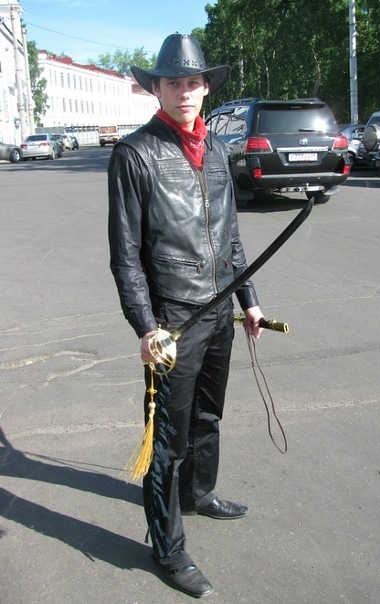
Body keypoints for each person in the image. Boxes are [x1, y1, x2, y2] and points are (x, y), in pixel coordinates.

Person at [108, 34, 264, 598]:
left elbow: (232, 237)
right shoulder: (135, 154)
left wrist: (249, 301)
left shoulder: (218, 150)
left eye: (193, 82)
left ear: (205, 88)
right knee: (167, 439)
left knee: (208, 417)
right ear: (157, 88)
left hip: (220, 311)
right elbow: (125, 254)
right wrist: (145, 326)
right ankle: (167, 549)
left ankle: (198, 494)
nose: (184, 92)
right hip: (172, 321)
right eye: (173, 83)